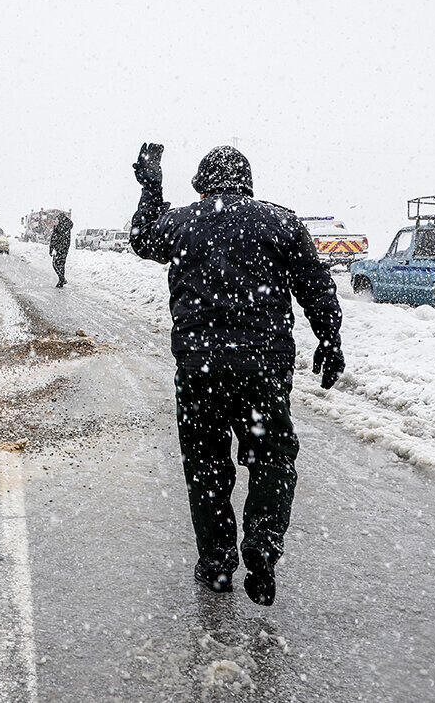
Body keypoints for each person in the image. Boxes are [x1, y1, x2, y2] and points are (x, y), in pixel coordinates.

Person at [130, 143, 344, 606]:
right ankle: (263, 544)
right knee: (272, 456)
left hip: (200, 370)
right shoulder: (282, 223)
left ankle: (217, 561)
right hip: (262, 370)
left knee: (205, 464)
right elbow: (316, 287)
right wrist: (330, 339)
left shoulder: (184, 222)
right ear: (246, 180)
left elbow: (142, 237)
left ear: (204, 182)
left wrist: (151, 188)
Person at [48, 214, 73, 287]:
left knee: (55, 264)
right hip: (65, 248)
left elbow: (53, 239)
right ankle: (61, 280)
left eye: (58, 219)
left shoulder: (58, 227)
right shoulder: (68, 227)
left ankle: (62, 278)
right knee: (62, 264)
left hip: (58, 248)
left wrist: (51, 248)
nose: (57, 220)